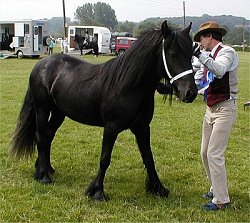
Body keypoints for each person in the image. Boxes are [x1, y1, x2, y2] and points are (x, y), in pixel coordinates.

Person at [193, 21, 239, 211]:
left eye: (201, 38)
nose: (200, 43)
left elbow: (219, 71)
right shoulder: (207, 56)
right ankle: (216, 188)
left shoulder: (227, 52)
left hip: (226, 108)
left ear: (210, 36)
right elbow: (200, 82)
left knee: (214, 153)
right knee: (205, 152)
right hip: (210, 109)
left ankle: (221, 200)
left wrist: (201, 56)